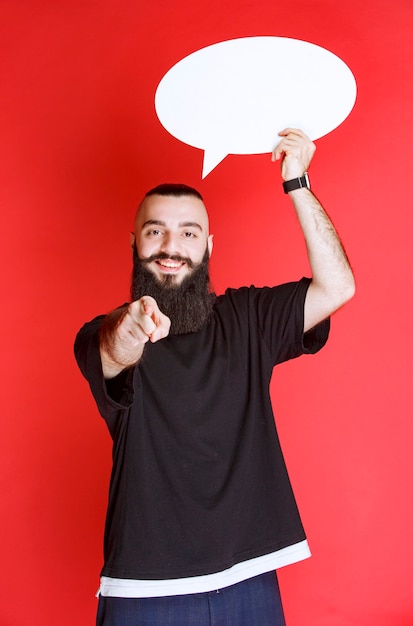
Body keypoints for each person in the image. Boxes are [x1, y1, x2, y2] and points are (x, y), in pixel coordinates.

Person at [74, 128, 355, 626]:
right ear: (135, 241)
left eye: (189, 232)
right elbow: (113, 351)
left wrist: (298, 182)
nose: (171, 245)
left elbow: (337, 286)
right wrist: (134, 326)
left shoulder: (247, 317)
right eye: (155, 230)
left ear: (208, 246)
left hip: (249, 577)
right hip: (143, 589)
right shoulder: (103, 334)